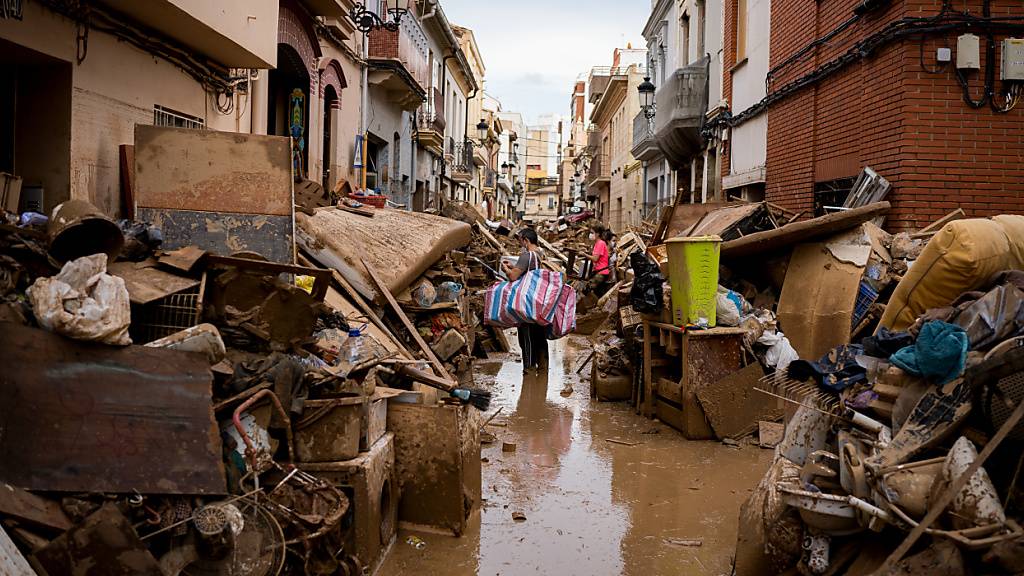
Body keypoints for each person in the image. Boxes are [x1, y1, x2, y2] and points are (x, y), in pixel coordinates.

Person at [501, 228, 549, 374]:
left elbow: (513, 277)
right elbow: (528, 272)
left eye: (521, 241)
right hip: (538, 302)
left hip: (526, 304)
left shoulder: (526, 255)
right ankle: (543, 371)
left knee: (526, 337)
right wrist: (514, 267)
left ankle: (528, 372)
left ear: (526, 240)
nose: (521, 244)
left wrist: (506, 269)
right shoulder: (540, 254)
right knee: (540, 337)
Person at [587, 227, 613, 297]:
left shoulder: (600, 243)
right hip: (598, 271)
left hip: (601, 272)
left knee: (589, 287)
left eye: (592, 233)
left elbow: (595, 259)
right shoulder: (596, 243)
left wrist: (584, 255)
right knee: (598, 293)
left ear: (598, 234)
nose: (590, 235)